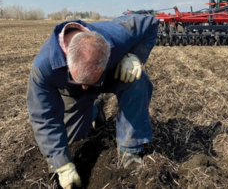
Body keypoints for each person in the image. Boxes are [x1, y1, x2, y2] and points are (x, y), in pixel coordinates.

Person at [26, 14, 159, 189]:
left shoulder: (118, 35)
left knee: (137, 80)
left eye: (91, 84)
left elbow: (150, 22)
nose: (87, 88)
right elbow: (44, 117)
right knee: (72, 139)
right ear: (68, 61)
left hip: (112, 73)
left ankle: (130, 149)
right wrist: (61, 164)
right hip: (72, 87)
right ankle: (96, 108)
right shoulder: (44, 67)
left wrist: (135, 56)